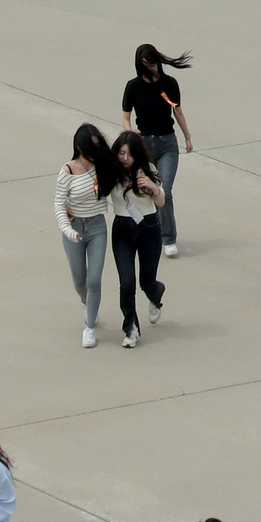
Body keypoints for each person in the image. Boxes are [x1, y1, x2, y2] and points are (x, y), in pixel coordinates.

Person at [122, 43, 194, 257]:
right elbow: (126, 117)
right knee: (142, 190)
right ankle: (147, 231)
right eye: (146, 64)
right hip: (143, 145)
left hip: (167, 144)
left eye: (153, 62)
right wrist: (130, 132)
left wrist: (187, 137)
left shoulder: (169, 83)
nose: (151, 67)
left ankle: (168, 238)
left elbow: (178, 112)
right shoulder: (133, 86)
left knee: (165, 191)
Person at [55, 122, 118, 346]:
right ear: (78, 147)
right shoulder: (67, 171)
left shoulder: (102, 166)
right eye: (89, 149)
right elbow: (59, 205)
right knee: (80, 282)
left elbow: (122, 175)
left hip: (97, 228)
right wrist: (69, 231)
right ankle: (86, 303)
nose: (94, 154)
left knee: (94, 280)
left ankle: (89, 327)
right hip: (74, 231)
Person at [110, 129, 167, 347]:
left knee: (146, 281)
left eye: (129, 154)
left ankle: (156, 294)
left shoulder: (147, 170)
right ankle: (130, 328)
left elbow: (161, 202)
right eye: (121, 153)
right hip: (122, 229)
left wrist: (153, 188)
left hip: (148, 227)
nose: (124, 158)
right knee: (127, 283)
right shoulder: (113, 171)